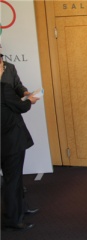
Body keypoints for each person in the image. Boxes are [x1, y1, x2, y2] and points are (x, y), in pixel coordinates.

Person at [1, 63, 39, 230]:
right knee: (12, 181)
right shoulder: (3, 88)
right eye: (1, 65)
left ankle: (20, 209)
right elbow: (22, 106)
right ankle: (13, 219)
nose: (4, 68)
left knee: (13, 179)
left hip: (5, 141)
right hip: (11, 141)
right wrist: (30, 100)